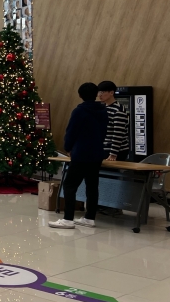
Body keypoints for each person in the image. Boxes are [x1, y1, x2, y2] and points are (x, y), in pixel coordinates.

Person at [49, 83, 108, 229]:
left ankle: (68, 219)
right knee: (92, 186)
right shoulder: (103, 111)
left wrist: (68, 148)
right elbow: (104, 132)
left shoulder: (79, 111)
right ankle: (89, 218)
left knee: (69, 185)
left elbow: (71, 132)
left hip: (81, 153)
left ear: (80, 95)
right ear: (96, 94)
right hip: (97, 153)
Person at [97, 80, 129, 161]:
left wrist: (113, 153)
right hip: (103, 147)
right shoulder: (102, 107)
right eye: (99, 92)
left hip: (116, 150)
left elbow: (118, 133)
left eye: (102, 92)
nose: (99, 95)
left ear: (111, 93)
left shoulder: (118, 110)